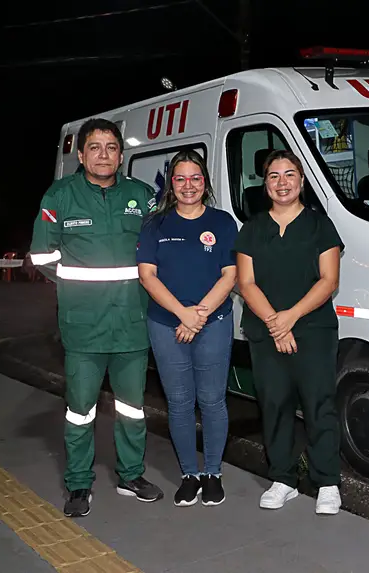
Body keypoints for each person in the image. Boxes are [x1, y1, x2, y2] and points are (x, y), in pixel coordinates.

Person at [29, 118, 163, 518]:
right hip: (84, 327)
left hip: (132, 324)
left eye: (111, 147)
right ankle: (78, 484)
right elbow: (42, 255)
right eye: (95, 147)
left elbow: (159, 251)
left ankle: (131, 475)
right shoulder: (59, 196)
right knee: (80, 410)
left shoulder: (142, 196)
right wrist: (76, 286)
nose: (103, 155)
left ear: (121, 155)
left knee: (132, 408)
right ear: (81, 154)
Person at [234, 149, 344, 515]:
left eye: (289, 175)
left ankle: (327, 481)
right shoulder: (252, 229)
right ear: (265, 184)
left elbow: (329, 280)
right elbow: (246, 284)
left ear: (301, 180)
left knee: (319, 404)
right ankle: (283, 478)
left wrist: (291, 317)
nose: (282, 183)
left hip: (313, 330)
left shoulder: (320, 226)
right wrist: (275, 324)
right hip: (266, 332)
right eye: (274, 176)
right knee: (275, 404)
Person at [137, 150, 237, 507]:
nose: (188, 185)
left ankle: (213, 473)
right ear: (171, 184)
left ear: (205, 182)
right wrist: (183, 314)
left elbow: (230, 275)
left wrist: (199, 316)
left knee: (212, 401)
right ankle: (189, 474)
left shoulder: (223, 222)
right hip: (167, 324)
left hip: (214, 324)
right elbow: (147, 276)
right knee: (179, 403)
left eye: (195, 178)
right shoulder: (155, 225)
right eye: (180, 179)